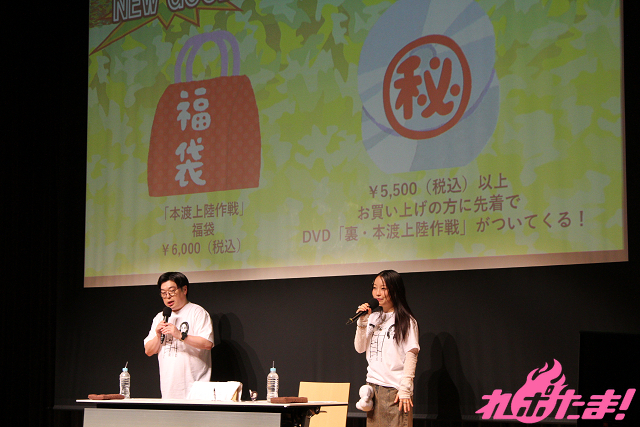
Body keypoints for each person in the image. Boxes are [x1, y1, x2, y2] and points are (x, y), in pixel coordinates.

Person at [354, 270, 420, 427]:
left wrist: (405, 389)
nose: (377, 293)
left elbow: (411, 355)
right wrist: (362, 322)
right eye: (375, 287)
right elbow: (360, 348)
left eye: (383, 288)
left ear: (395, 290)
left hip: (394, 391)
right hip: (372, 390)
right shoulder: (373, 317)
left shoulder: (406, 320)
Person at [144, 272, 214, 399]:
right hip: (169, 390)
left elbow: (207, 343)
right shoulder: (160, 317)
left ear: (184, 290)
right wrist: (158, 335)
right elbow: (148, 350)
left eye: (172, 291)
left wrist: (180, 335)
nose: (168, 297)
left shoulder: (197, 312)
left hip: (196, 390)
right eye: (163, 293)